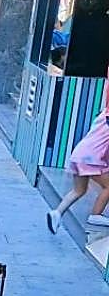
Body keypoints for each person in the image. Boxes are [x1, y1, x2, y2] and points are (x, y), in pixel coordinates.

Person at [46, 71, 109, 231]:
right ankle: (96, 215)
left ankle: (57, 213)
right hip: (90, 159)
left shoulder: (103, 116)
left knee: (79, 190)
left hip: (79, 156)